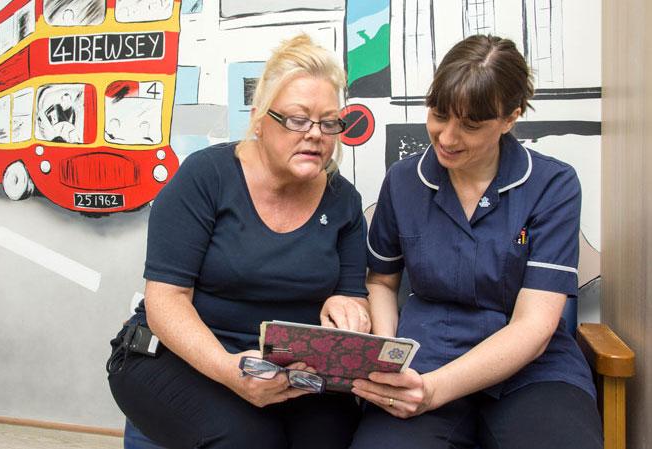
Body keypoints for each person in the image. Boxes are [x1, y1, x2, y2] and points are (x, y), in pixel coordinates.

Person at [107, 34, 370, 449]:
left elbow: (353, 294)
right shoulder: (204, 178)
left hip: (289, 370)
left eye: (329, 122)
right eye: (298, 120)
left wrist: (348, 307)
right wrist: (231, 370)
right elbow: (166, 300)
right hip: (180, 358)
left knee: (339, 435)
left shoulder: (344, 201)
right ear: (261, 118)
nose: (316, 134)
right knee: (249, 441)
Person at [349, 35, 603, 449]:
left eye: (470, 124)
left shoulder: (552, 185)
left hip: (532, 371)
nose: (447, 137)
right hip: (423, 358)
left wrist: (434, 389)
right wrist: (390, 357)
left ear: (509, 118)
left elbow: (534, 327)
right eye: (439, 114)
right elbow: (382, 281)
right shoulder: (403, 180)